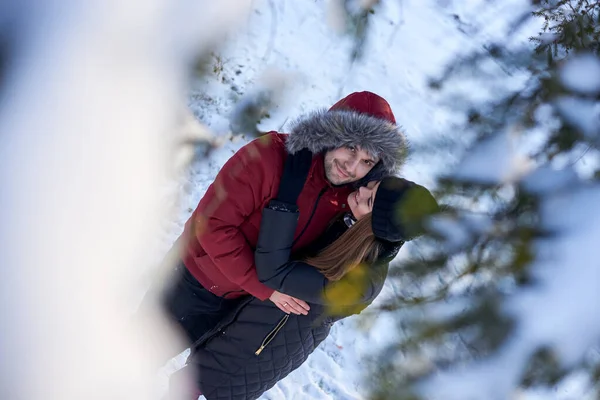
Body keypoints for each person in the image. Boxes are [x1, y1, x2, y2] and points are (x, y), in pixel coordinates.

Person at [136, 91, 408, 365]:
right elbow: (212, 226)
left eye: (367, 161)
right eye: (350, 147)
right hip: (194, 281)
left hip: (242, 304)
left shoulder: (349, 200)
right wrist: (263, 287)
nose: (351, 167)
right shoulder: (269, 157)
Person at [169, 159, 440, 400]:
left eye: (369, 201)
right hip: (249, 326)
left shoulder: (360, 283)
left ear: (375, 229)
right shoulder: (353, 230)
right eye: (374, 186)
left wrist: (286, 201)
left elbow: (273, 272)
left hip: (255, 353)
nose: (362, 190)